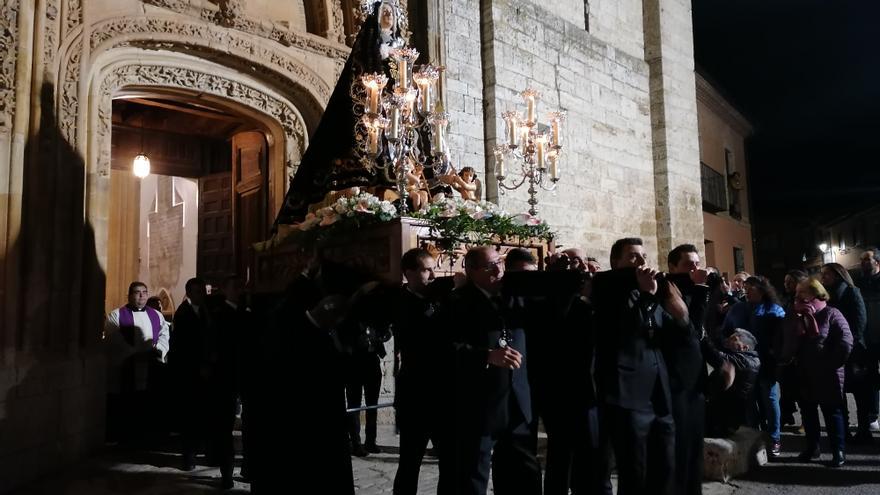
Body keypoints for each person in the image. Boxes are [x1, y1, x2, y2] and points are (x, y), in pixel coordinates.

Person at [591, 237, 690, 495]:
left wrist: (676, 306)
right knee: (635, 469)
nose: (642, 261)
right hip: (628, 394)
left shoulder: (655, 290)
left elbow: (672, 330)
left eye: (644, 255)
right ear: (616, 262)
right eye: (633, 256)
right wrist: (646, 296)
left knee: (665, 464)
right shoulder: (605, 290)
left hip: (659, 392)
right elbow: (621, 332)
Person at [442, 246, 541, 495]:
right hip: (479, 403)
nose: (498, 269)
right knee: (473, 473)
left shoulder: (516, 297)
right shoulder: (458, 302)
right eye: (490, 266)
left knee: (521, 473)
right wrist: (486, 355)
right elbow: (445, 349)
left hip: (517, 400)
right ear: (472, 271)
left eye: (500, 262)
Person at [781, 278, 852, 467]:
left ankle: (838, 450)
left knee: (832, 412)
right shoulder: (793, 315)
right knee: (808, 412)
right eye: (796, 293)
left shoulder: (830, 313)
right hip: (803, 372)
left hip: (828, 373)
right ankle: (813, 448)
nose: (797, 296)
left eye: (801, 292)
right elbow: (787, 343)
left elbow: (845, 341)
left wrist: (831, 363)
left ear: (814, 293)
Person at [392, 248, 446, 495]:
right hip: (415, 395)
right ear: (409, 273)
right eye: (427, 270)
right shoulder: (401, 302)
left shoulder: (436, 297)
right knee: (410, 462)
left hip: (442, 394)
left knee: (450, 461)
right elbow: (419, 333)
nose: (433, 275)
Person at [663, 244, 711, 495]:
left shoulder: (694, 290)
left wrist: (722, 360)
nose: (694, 268)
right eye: (687, 264)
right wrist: (702, 290)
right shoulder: (670, 291)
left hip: (696, 382)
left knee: (694, 447)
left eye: (696, 263)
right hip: (676, 380)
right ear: (672, 267)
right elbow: (692, 331)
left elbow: (704, 338)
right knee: (679, 449)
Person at [722, 276, 785, 456]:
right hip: (743, 364)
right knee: (749, 401)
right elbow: (725, 332)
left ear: (762, 290)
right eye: (745, 287)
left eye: (751, 288)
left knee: (769, 399)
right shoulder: (737, 308)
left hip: (766, 363)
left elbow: (781, 337)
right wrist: (728, 342)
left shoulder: (774, 310)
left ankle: (774, 438)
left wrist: (774, 353)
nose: (746, 291)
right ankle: (754, 437)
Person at [104, 281, 170, 445]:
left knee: (149, 401)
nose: (141, 295)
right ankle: (128, 439)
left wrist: (158, 349)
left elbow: (164, 335)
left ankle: (148, 437)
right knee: (129, 403)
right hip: (128, 366)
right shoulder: (116, 315)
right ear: (129, 295)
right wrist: (134, 353)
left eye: (144, 292)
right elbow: (114, 338)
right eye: (137, 292)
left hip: (151, 365)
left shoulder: (157, 315)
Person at [821, 262, 872, 442]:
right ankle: (844, 430)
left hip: (853, 350)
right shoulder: (825, 296)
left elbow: (860, 322)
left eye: (826, 274)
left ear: (837, 275)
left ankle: (864, 430)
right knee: (838, 391)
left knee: (860, 392)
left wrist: (849, 345)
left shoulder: (851, 292)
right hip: (834, 350)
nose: (823, 278)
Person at [169, 278, 210, 473]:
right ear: (189, 293)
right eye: (198, 292)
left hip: (203, 374)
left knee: (200, 415)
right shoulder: (183, 314)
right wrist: (197, 367)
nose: (202, 295)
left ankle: (199, 450)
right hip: (189, 374)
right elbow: (182, 347)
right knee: (188, 418)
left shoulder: (205, 311)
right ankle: (188, 456)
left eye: (203, 291)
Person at [703, 329, 761, 437]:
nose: (728, 340)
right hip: (728, 410)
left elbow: (718, 357)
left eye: (734, 339)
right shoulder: (749, 359)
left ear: (745, 347)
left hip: (728, 413)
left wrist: (703, 339)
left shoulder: (745, 361)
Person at [856, 248, 880, 436]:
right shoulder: (859, 283)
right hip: (868, 339)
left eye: (867, 260)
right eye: (862, 260)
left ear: (877, 262)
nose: (863, 263)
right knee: (870, 378)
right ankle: (873, 416)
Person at [779, 270, 807, 427]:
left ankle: (806, 421)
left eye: (790, 282)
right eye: (785, 282)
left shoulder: (805, 300)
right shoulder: (786, 300)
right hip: (787, 349)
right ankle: (786, 415)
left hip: (801, 350)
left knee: (803, 391)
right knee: (786, 386)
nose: (786, 285)